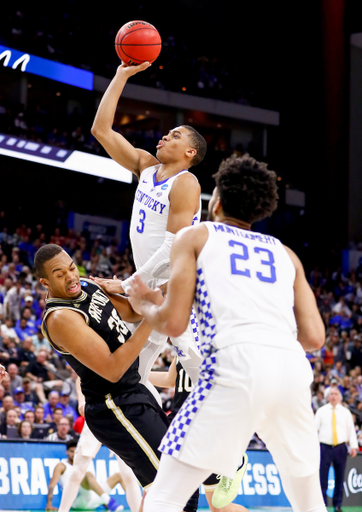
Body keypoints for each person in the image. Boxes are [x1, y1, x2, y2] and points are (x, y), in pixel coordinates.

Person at [127, 154, 327, 512]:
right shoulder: (286, 254)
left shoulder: (196, 235)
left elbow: (174, 323)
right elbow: (314, 338)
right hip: (292, 372)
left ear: (215, 201)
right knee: (310, 503)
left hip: (233, 367)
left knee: (163, 498)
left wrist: (144, 305)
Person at [32, 244, 192, 503]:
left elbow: (131, 311)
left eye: (72, 267)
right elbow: (114, 369)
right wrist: (153, 316)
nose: (71, 276)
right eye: (60, 274)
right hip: (113, 405)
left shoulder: (85, 285)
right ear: (45, 282)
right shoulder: (60, 318)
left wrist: (143, 294)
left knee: (164, 486)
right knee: (174, 485)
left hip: (134, 390)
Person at [91, 61, 207, 386]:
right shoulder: (145, 165)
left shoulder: (186, 183)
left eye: (174, 136)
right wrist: (120, 76)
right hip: (151, 290)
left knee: (204, 373)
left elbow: (173, 249)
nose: (164, 137)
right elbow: (101, 131)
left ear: (189, 151)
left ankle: (254, 425)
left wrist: (128, 285)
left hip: (178, 292)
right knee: (130, 378)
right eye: (166, 133)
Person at [149, 358, 248, 512]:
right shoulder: (181, 341)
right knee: (157, 494)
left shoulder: (218, 344)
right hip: (177, 427)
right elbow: (169, 379)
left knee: (219, 508)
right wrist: (134, 374)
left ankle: (236, 460)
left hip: (207, 429)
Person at [57, 376, 142, 512]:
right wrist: (81, 400)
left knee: (128, 474)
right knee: (78, 471)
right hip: (96, 412)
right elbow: (81, 377)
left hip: (121, 415)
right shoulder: (95, 357)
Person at [46, 439, 124, 512]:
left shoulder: (82, 464)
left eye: (75, 451)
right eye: (71, 451)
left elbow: (93, 486)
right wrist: (49, 504)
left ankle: (132, 505)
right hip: (76, 501)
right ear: (67, 452)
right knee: (88, 475)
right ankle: (110, 501)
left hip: (91, 500)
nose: (73, 454)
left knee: (119, 475)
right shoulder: (62, 465)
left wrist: (104, 504)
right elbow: (52, 485)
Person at [314, 386, 358, 511]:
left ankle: (337, 505)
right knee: (322, 479)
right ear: (327, 397)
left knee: (340, 478)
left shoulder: (345, 412)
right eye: (331, 394)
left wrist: (353, 446)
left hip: (340, 448)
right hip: (324, 447)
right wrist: (314, 446)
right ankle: (322, 506)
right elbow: (314, 430)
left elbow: (351, 430)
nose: (333, 396)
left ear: (339, 396)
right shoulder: (321, 411)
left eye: (336, 394)